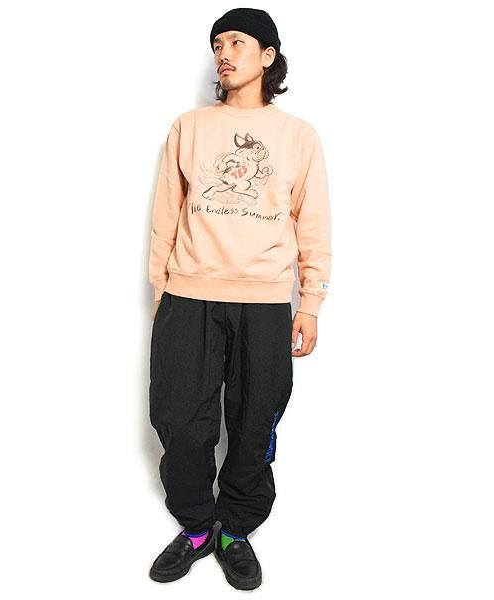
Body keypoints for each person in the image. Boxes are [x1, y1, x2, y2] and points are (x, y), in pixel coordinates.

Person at [146, 8, 332, 590]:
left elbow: (313, 224)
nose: (223, 53)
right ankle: (197, 526)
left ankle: (236, 530)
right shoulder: (189, 127)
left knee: (255, 420)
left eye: (237, 42)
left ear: (268, 56)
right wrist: (162, 291)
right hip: (189, 294)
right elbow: (166, 215)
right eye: (217, 44)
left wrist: (310, 303)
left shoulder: (298, 136)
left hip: (266, 301)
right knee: (180, 419)